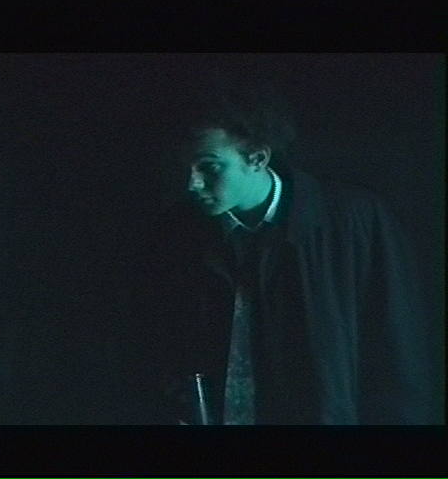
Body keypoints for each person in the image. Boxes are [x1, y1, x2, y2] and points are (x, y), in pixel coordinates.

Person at [126, 74, 438, 425]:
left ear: (257, 158)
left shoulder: (354, 221)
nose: (192, 184)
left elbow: (398, 354)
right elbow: (153, 349)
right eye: (186, 167)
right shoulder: (177, 232)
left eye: (209, 167)